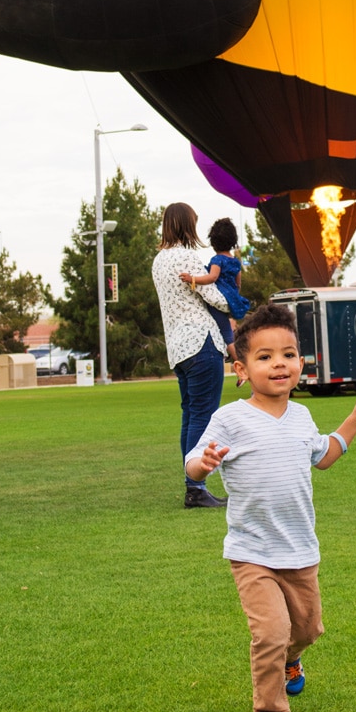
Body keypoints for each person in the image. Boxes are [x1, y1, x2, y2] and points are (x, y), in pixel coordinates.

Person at [185, 303, 356, 712]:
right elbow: (192, 462)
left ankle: (293, 659)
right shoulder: (230, 418)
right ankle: (270, 711)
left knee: (307, 630)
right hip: (252, 551)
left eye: (288, 354)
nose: (279, 364)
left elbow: (324, 455)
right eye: (265, 356)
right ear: (241, 369)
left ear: (300, 362)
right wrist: (203, 464)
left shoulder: (302, 416)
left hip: (300, 550)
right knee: (270, 633)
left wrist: (355, 419)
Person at [152, 202, 233, 509]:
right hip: (201, 340)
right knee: (203, 415)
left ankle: (193, 484)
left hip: (178, 348)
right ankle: (195, 487)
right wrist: (234, 292)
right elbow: (216, 299)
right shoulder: (187, 256)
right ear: (187, 224)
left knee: (190, 415)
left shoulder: (159, 261)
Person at [180, 216, 249, 381]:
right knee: (224, 331)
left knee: (226, 335)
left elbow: (212, 277)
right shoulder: (235, 261)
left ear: (213, 242)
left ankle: (242, 369)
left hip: (218, 301)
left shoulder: (217, 260)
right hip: (230, 299)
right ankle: (233, 361)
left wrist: (193, 279)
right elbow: (238, 283)